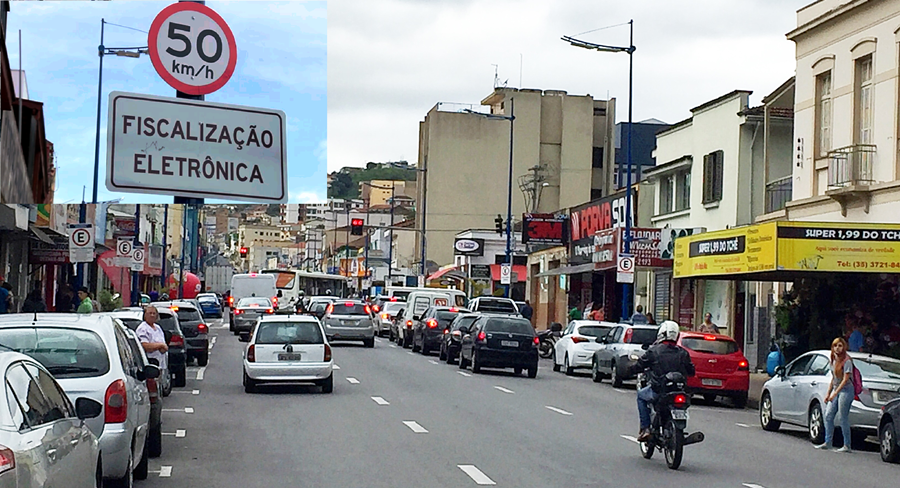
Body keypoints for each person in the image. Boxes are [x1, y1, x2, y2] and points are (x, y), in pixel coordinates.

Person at [628, 321, 695, 442]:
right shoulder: (683, 352)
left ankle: (645, 428)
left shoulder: (653, 351)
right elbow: (691, 371)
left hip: (659, 390)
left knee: (641, 396)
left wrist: (629, 370)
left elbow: (640, 365)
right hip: (679, 391)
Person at [815, 337, 855, 452]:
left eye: (840, 346)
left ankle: (847, 445)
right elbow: (834, 378)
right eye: (835, 346)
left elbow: (845, 380)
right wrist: (828, 393)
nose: (837, 348)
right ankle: (828, 442)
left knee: (843, 417)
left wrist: (835, 393)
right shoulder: (833, 359)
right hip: (836, 389)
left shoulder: (847, 361)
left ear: (844, 347)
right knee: (828, 415)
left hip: (846, 391)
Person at [136, 306, 168, 375]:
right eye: (150, 313)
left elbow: (164, 345)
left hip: (160, 365)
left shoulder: (158, 328)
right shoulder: (143, 328)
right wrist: (160, 345)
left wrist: (163, 348)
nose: (152, 315)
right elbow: (144, 346)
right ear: (145, 315)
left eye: (154, 313)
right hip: (150, 365)